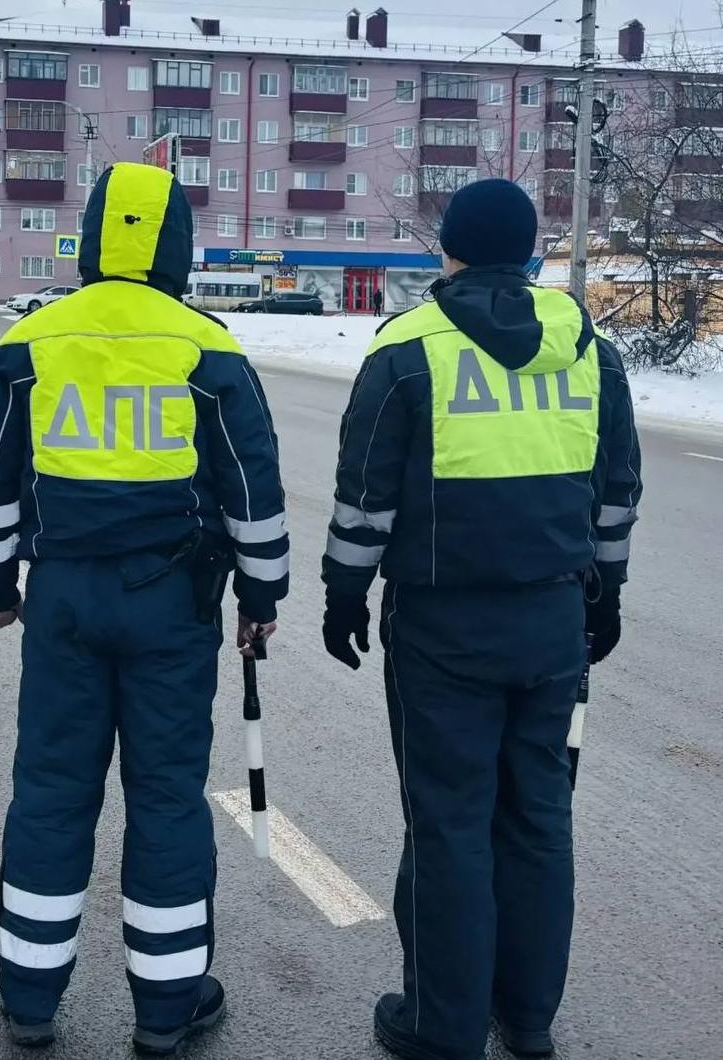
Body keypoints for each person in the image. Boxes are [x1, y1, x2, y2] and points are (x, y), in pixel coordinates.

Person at [0, 161, 288, 1056]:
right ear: (176, 245)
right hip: (174, 609)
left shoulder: (35, 341)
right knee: (169, 799)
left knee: (54, 792)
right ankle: (167, 1009)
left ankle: (29, 998)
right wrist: (260, 597)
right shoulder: (207, 347)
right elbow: (252, 490)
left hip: (63, 600)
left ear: (94, 234)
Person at [321, 179, 641, 1060]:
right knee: (538, 816)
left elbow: (364, 501)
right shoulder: (588, 348)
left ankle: (442, 1027)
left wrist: (343, 594)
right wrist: (606, 592)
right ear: (531, 256)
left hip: (441, 632)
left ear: (452, 252)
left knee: (450, 822)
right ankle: (526, 1017)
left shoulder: (408, 350)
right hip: (552, 626)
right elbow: (616, 493)